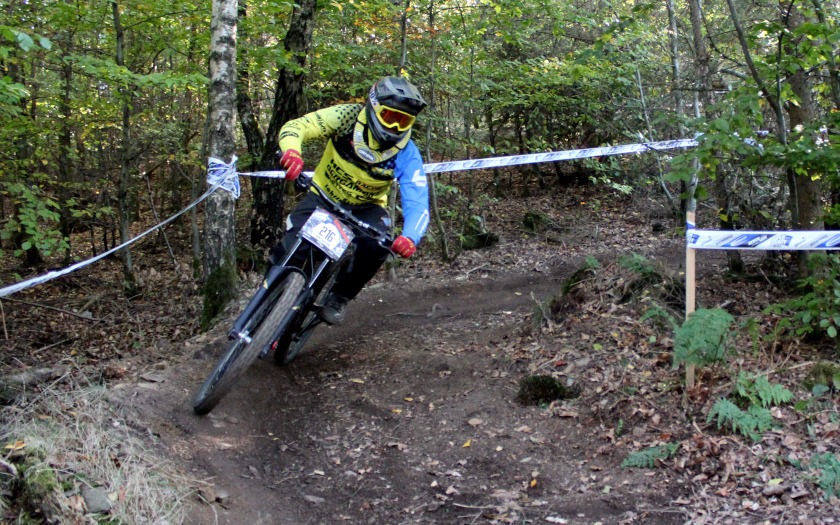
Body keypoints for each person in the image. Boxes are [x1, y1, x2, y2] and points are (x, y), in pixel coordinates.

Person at [272, 76, 430, 325]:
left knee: (376, 247)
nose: (395, 127)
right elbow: (299, 126)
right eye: (390, 117)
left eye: (403, 121)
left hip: (367, 209)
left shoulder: (407, 152)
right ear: (374, 107)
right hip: (323, 195)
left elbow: (417, 201)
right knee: (288, 249)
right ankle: (267, 294)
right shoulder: (346, 117)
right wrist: (292, 151)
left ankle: (340, 297)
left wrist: (410, 236)